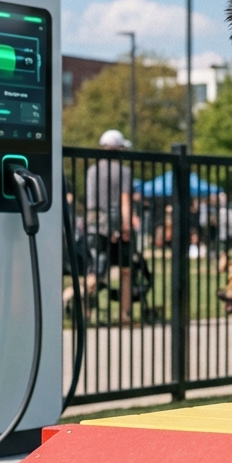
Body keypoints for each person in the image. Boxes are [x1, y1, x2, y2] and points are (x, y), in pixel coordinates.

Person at [85, 129, 138, 324]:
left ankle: (82, 304)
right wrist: (125, 225)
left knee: (96, 267)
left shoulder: (92, 170)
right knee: (126, 270)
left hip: (93, 221)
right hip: (114, 221)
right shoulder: (123, 171)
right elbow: (125, 201)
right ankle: (125, 314)